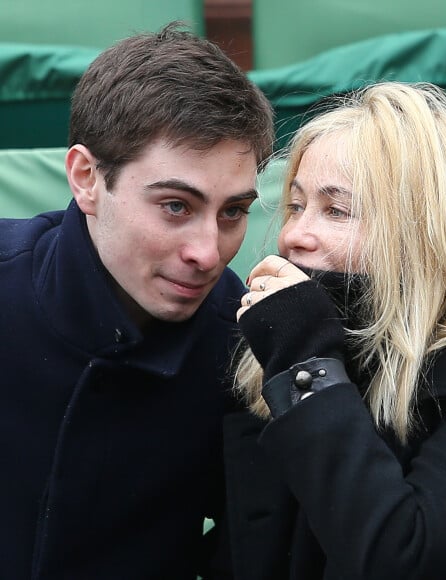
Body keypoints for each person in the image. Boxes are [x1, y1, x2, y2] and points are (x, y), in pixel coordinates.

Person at [224, 81, 446, 579]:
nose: (293, 235)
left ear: (423, 233)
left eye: (336, 210)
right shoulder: (303, 339)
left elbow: (395, 556)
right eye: (297, 205)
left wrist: (306, 365)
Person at [0, 21, 273, 579]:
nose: (208, 252)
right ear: (86, 178)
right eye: (176, 205)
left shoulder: (245, 346)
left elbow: (258, 547)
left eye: (233, 212)